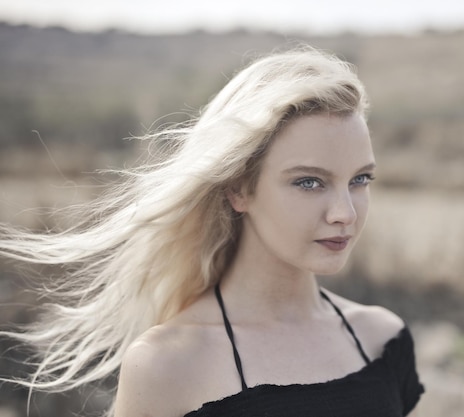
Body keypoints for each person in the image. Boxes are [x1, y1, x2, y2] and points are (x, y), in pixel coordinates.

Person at [0, 45, 425, 417]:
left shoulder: (381, 340)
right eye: (308, 182)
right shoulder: (168, 364)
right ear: (239, 188)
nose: (345, 213)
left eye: (360, 179)